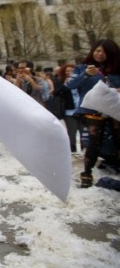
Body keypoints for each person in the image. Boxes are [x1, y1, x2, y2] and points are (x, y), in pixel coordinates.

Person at [66, 39, 120, 188]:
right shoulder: (82, 68)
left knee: (118, 140)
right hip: (92, 109)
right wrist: (85, 75)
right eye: (97, 51)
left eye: (103, 51)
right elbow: (70, 85)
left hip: (115, 108)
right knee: (94, 140)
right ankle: (87, 173)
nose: (100, 54)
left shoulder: (116, 69)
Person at [54, 63, 80, 153]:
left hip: (81, 109)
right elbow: (56, 93)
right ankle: (72, 149)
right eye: (67, 71)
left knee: (83, 131)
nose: (69, 73)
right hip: (69, 111)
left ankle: (85, 150)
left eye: (71, 71)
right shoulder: (60, 82)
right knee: (72, 132)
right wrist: (65, 84)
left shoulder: (80, 81)